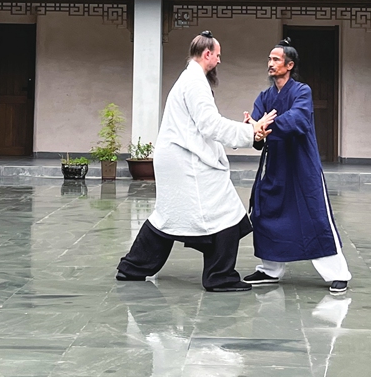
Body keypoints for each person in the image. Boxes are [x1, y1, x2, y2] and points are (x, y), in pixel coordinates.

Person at [117, 31, 277, 292]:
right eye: (218, 56)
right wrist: (251, 133)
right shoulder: (194, 82)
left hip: (183, 160)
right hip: (186, 162)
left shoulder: (191, 79)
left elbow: (205, 124)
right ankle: (219, 277)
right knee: (225, 213)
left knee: (169, 217)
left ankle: (132, 268)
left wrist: (248, 132)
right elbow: (210, 125)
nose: (219, 61)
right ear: (207, 54)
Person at [244, 38, 353, 293]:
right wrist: (254, 130)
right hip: (275, 165)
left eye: (276, 59)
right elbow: (257, 126)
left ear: (289, 65)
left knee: (314, 216)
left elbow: (298, 119)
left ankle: (338, 273)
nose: (270, 64)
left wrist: (264, 126)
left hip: (302, 165)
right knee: (266, 213)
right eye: (269, 59)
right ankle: (270, 270)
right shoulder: (264, 96)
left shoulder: (302, 91)